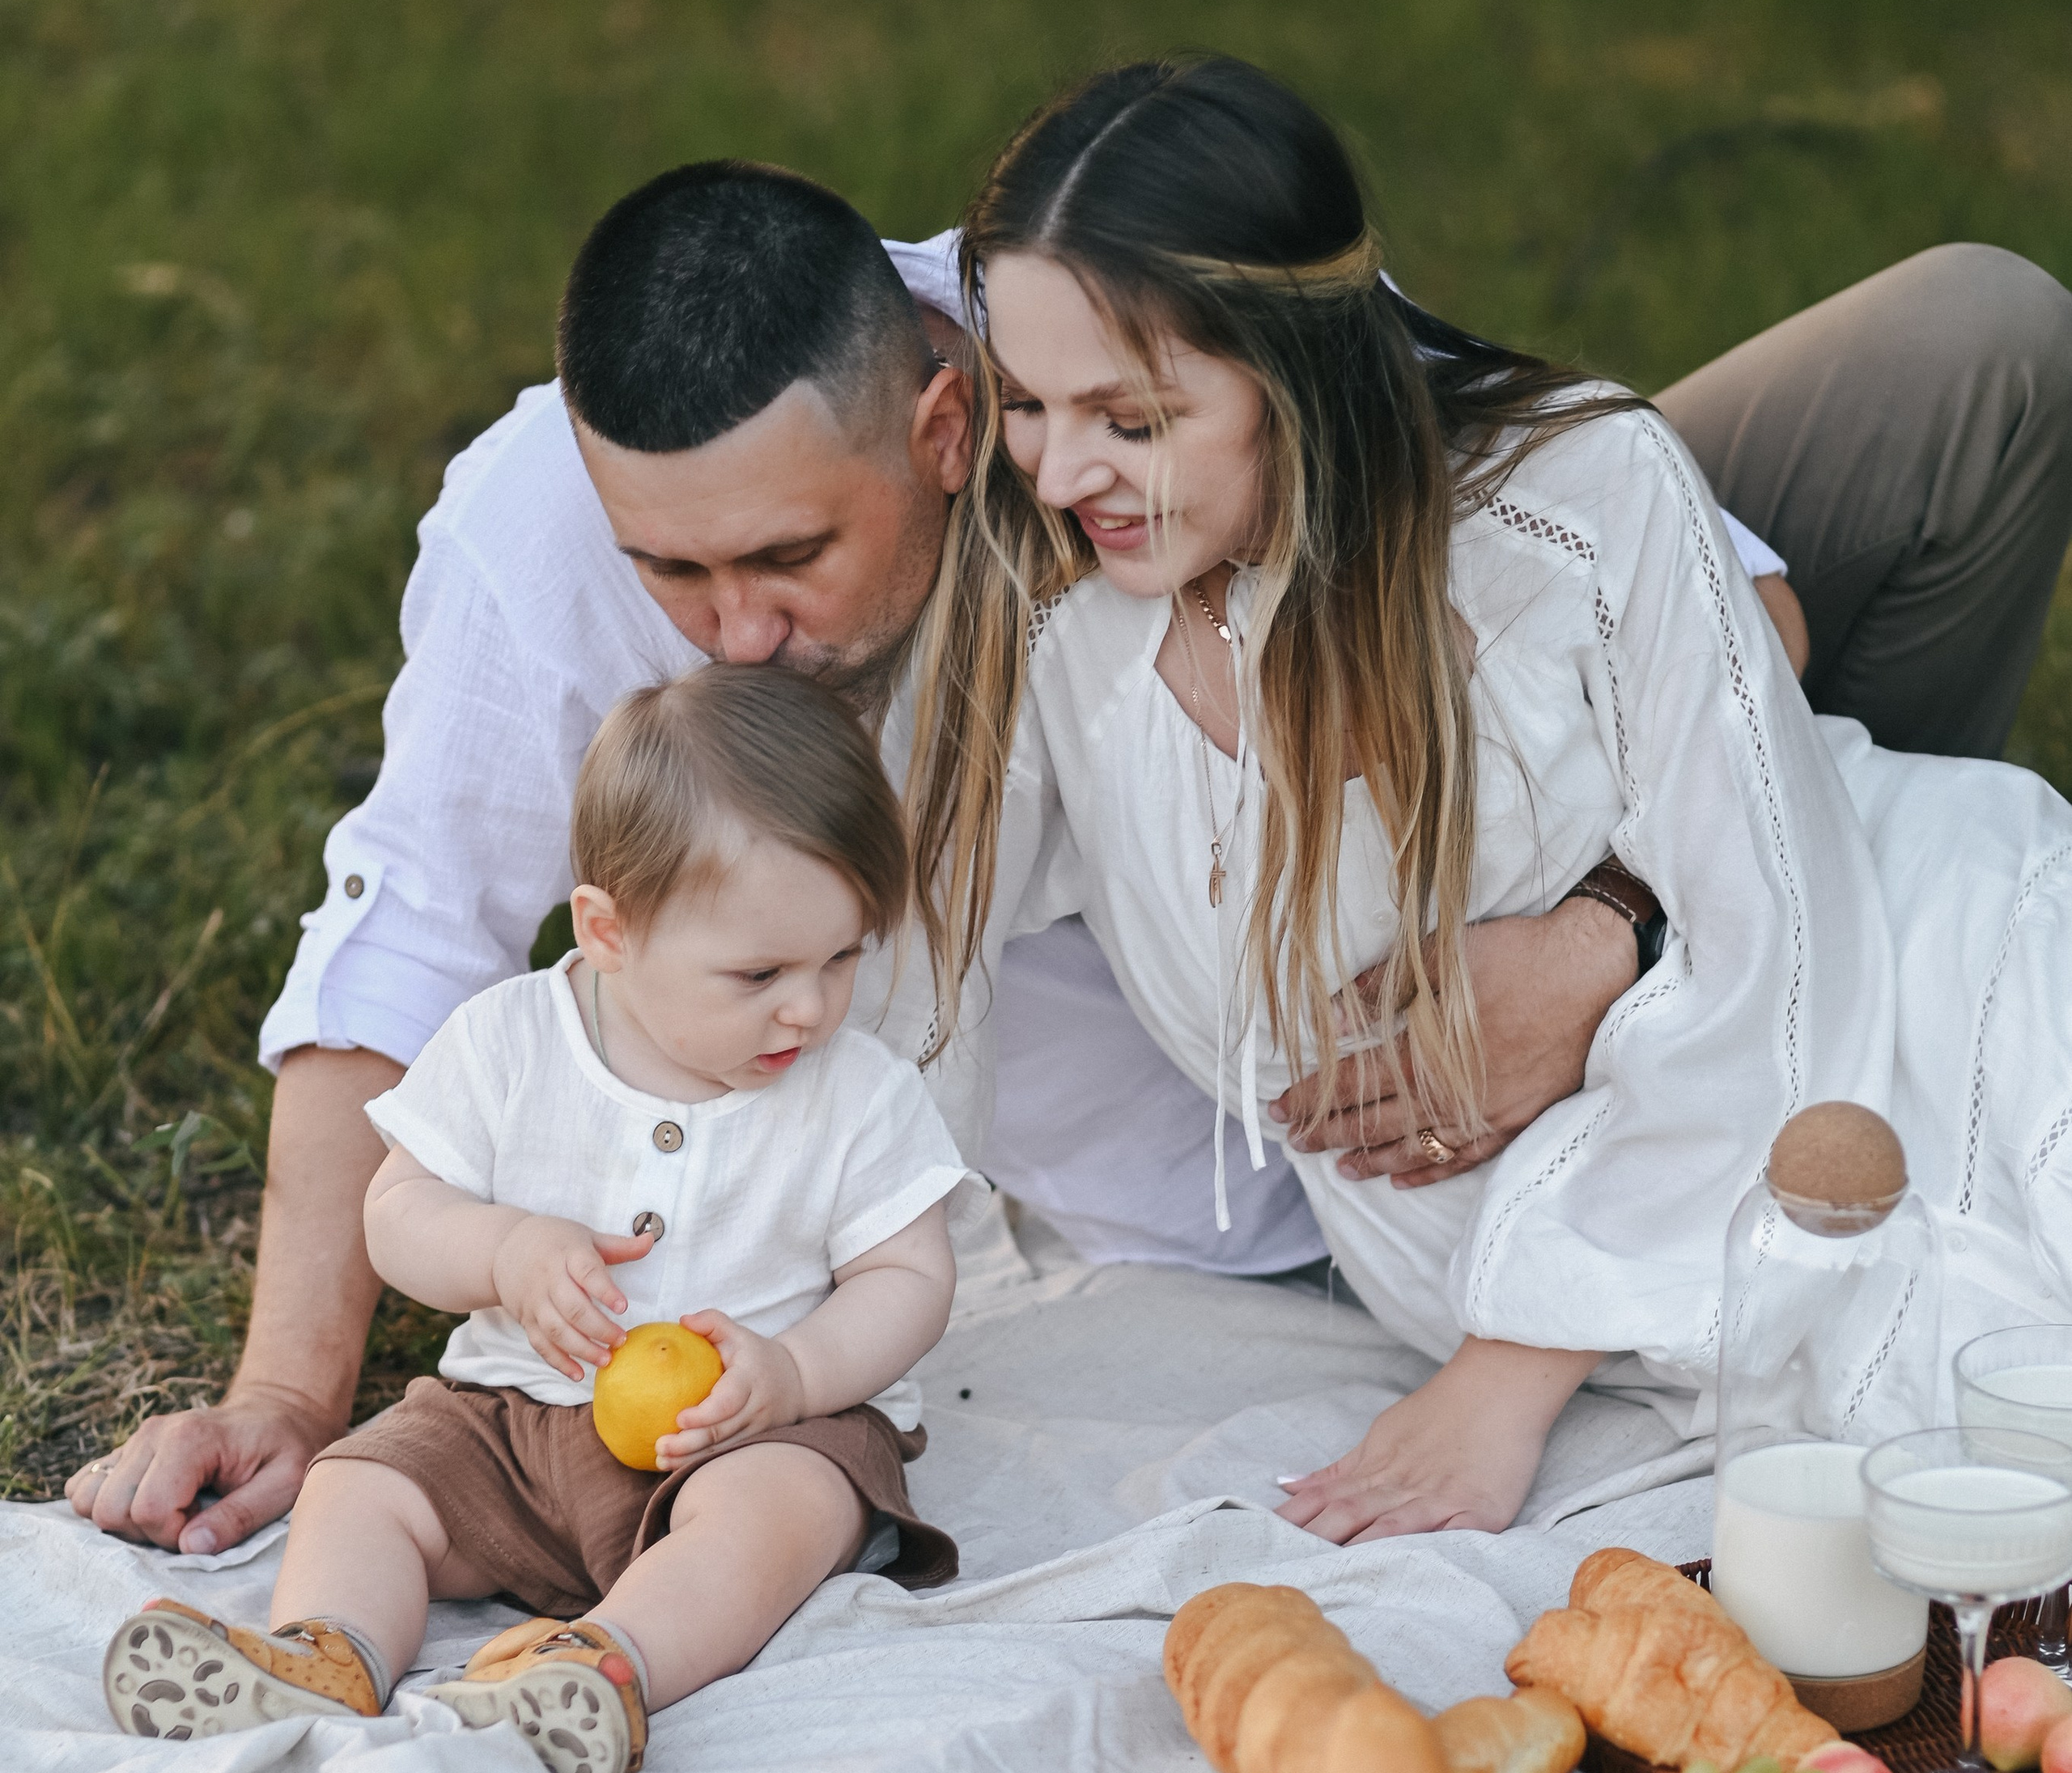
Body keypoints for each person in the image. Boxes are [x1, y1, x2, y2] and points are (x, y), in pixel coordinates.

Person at [68, 154, 2072, 1557]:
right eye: (666, 569)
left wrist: (1605, 933)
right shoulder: (556, 546)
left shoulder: (1153, 359)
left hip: (1512, 871)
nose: (731, 634)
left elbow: (1729, 616)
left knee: (1970, 354)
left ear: (947, 427)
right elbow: (406, 932)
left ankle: (1829, 972)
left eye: (787, 559)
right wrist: (288, 1396)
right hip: (1286, 1152)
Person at [906, 53, 2072, 1542]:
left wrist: (1509, 1378)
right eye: (1025, 405)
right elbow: (902, 973)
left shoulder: (1579, 502)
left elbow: (1781, 932)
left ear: (1297, 376)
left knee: (1979, 1392)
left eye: (1130, 420)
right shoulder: (1049, 604)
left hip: (1911, 983)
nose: (1063, 469)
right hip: (1545, 1249)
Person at [101, 665, 965, 1773]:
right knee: (364, 1485)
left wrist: (797, 1373)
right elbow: (397, 1214)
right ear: (608, 930)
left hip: (746, 1432)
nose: (809, 1008)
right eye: (759, 974)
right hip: (508, 1427)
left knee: (784, 1513)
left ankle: (603, 1669)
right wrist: (502, 1249)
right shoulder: (508, 1044)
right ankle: (327, 1652)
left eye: (843, 957)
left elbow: (910, 1272)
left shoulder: (856, 1091)